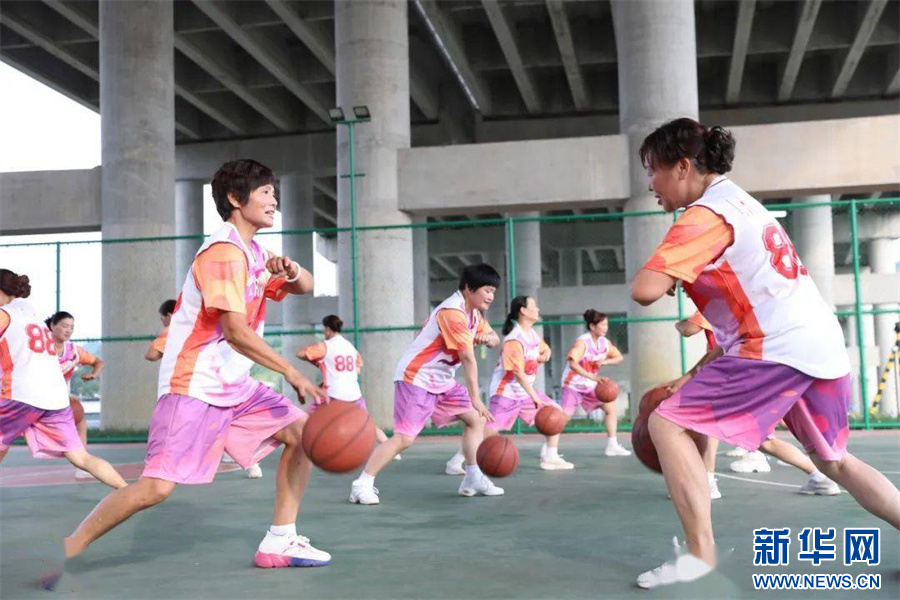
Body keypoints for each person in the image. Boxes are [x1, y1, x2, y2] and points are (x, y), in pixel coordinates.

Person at [630, 118, 900, 589]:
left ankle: (699, 556)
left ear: (683, 167)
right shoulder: (744, 203)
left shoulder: (705, 215)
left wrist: (672, 273)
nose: (650, 182)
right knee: (834, 461)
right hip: (817, 343)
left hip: (776, 346)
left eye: (653, 169)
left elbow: (643, 290)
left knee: (666, 423)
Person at [61, 159, 331, 570]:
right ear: (235, 199)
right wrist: (291, 371)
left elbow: (307, 287)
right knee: (155, 488)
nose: (274, 199)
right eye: (265, 192)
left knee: (304, 434)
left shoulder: (254, 253)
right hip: (194, 385)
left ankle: (280, 540)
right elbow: (235, 332)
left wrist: (291, 270)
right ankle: (66, 549)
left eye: (274, 192)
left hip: (233, 384)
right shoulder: (223, 253)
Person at [349, 264, 504, 505]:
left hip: (442, 381)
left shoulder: (473, 314)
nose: (491, 296)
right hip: (417, 378)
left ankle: (472, 477)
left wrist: (487, 337)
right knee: (404, 438)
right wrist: (475, 397)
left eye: (493, 291)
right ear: (468, 288)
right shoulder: (452, 312)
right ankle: (362, 484)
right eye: (486, 290)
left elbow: (494, 339)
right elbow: (467, 358)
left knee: (476, 420)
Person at [671, 311, 840, 496]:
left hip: (740, 374)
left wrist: (679, 323)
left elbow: (689, 329)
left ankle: (707, 483)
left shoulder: (713, 307)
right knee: (764, 441)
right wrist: (691, 375)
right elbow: (717, 350)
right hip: (746, 373)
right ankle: (820, 478)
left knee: (708, 423)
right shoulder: (740, 314)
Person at [0, 269, 125, 491]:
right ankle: (127, 491)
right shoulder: (33, 314)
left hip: (21, 394)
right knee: (80, 457)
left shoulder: (5, 314)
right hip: (56, 399)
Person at [446, 296, 565, 471]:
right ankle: (456, 460)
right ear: (523, 311)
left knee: (555, 413)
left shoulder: (532, 334)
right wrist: (535, 398)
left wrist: (546, 354)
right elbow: (518, 374)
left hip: (524, 393)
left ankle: (550, 456)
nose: (538, 310)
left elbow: (543, 348)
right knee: (488, 431)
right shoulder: (514, 340)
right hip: (506, 394)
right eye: (534, 306)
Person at [145, 298, 262, 477]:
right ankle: (250, 461)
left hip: (192, 386)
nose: (163, 322)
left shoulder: (176, 328)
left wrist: (167, 334)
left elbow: (151, 355)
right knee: (217, 427)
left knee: (182, 427)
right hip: (218, 383)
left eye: (162, 318)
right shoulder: (207, 324)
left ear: (169, 315)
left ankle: (164, 465)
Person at [298, 314, 393, 448]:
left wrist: (316, 362)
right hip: (354, 395)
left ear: (327, 329)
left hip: (332, 394)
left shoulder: (325, 346)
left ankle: (299, 447)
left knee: (305, 420)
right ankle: (389, 447)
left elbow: (300, 354)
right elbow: (357, 369)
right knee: (368, 423)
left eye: (324, 329)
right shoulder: (350, 347)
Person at [556, 310, 629, 460]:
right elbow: (572, 363)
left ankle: (612, 445)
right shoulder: (582, 342)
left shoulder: (604, 343)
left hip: (589, 385)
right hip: (573, 385)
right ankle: (549, 450)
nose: (606, 327)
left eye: (606, 324)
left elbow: (619, 357)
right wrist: (592, 376)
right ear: (592, 326)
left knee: (610, 407)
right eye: (602, 325)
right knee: (563, 418)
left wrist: (605, 361)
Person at [45, 311, 105, 481]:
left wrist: (93, 374)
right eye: (64, 326)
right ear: (52, 326)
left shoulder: (73, 351)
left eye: (71, 327)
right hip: (32, 398)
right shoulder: (41, 349)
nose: (69, 330)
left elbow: (99, 362)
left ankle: (81, 468)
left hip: (55, 400)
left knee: (80, 422)